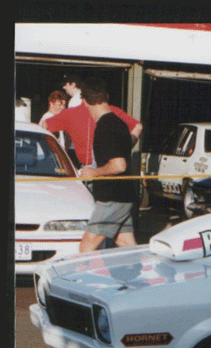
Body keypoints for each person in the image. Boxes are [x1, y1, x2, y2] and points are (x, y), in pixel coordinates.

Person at [76, 77, 137, 253]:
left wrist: (92, 173)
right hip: (123, 197)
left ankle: (86, 277)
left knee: (86, 247)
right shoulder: (119, 124)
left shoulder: (104, 128)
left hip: (111, 199)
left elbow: (119, 165)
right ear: (107, 97)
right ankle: (146, 270)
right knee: (127, 246)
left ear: (84, 101)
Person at [41, 89, 142, 168]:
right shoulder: (113, 110)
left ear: (84, 100)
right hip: (111, 166)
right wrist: (124, 149)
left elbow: (45, 125)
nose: (62, 107)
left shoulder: (71, 113)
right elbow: (138, 126)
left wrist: (54, 154)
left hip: (90, 168)